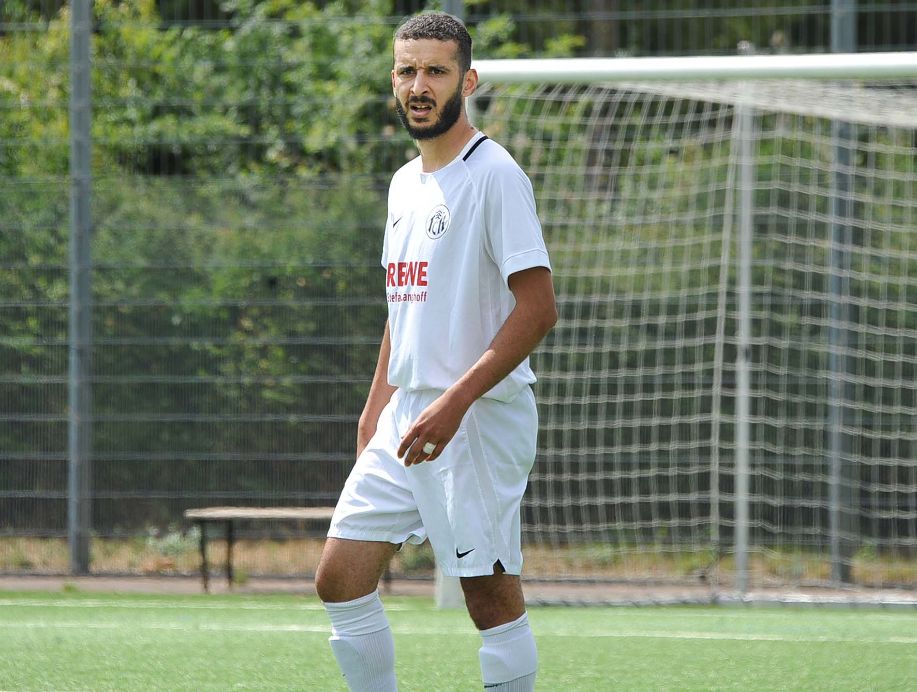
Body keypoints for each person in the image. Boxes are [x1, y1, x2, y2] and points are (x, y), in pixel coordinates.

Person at [315, 11, 557, 692]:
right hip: (406, 416)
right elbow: (403, 309)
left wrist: (454, 403)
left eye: (435, 71)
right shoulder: (403, 183)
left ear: (467, 81)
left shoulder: (494, 174)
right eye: (407, 71)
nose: (418, 85)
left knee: (488, 596)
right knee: (339, 578)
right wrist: (375, 410)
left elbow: (538, 309)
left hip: (475, 419)